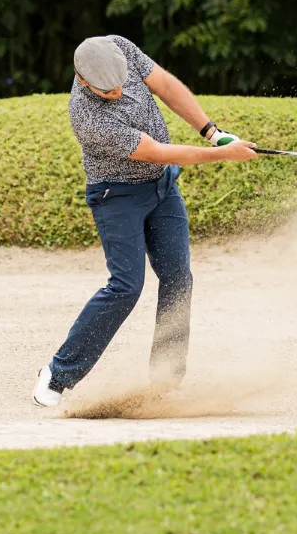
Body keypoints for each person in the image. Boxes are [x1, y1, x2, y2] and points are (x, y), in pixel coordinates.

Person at [32, 35, 257, 407]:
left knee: (177, 277)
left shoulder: (120, 47)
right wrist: (224, 156)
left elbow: (165, 85)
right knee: (125, 286)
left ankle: (165, 381)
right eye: (108, 90)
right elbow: (156, 151)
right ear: (84, 81)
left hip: (162, 188)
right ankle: (58, 374)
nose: (118, 92)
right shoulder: (86, 115)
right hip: (116, 197)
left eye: (122, 82)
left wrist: (213, 133)